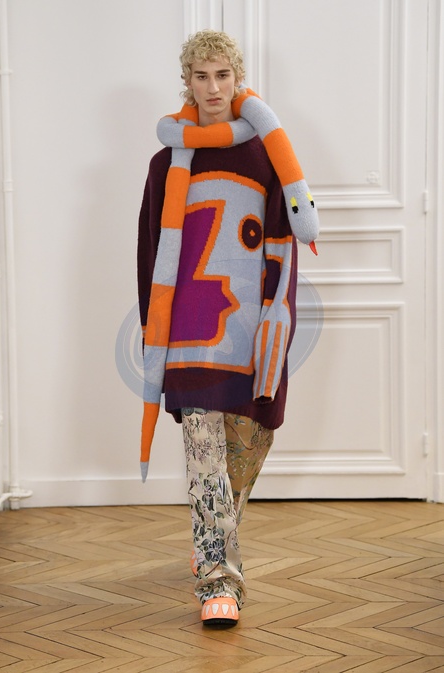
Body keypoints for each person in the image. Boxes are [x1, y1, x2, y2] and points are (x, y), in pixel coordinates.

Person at [137, 29, 319, 628]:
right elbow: (149, 253)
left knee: (250, 440)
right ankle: (220, 581)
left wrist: (275, 316)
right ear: (186, 83)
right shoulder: (166, 163)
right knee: (203, 453)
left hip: (249, 328)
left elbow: (284, 242)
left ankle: (212, 535)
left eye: (222, 75)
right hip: (188, 334)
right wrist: (153, 331)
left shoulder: (266, 156)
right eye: (201, 76)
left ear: (237, 80)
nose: (212, 88)